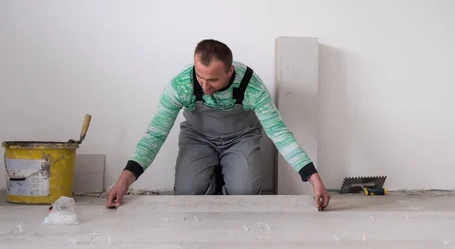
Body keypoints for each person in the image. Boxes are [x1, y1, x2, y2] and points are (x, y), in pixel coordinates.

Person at [105, 39, 330, 209]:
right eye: (200, 77)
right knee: (187, 193)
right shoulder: (180, 85)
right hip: (198, 139)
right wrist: (125, 181)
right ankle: (211, 177)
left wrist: (313, 178)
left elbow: (280, 134)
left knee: (245, 194)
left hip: (241, 138)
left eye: (212, 80)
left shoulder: (252, 88)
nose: (204, 86)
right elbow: (155, 135)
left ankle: (227, 176)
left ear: (230, 71)